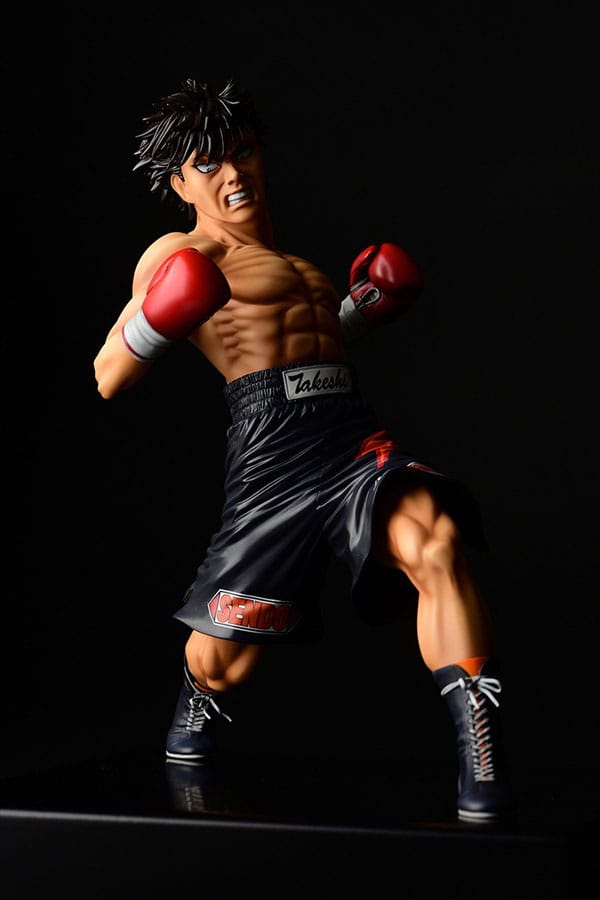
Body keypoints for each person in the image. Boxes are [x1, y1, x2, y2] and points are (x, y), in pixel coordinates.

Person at [93, 77, 513, 822]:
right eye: (207, 163)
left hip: (350, 437)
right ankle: (197, 701)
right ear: (180, 184)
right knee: (221, 660)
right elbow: (107, 375)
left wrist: (361, 310)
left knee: (437, 542)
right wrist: (162, 313)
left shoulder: (300, 268)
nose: (232, 173)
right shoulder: (181, 252)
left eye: (243, 153)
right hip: (272, 454)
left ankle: (480, 752)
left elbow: (310, 351)